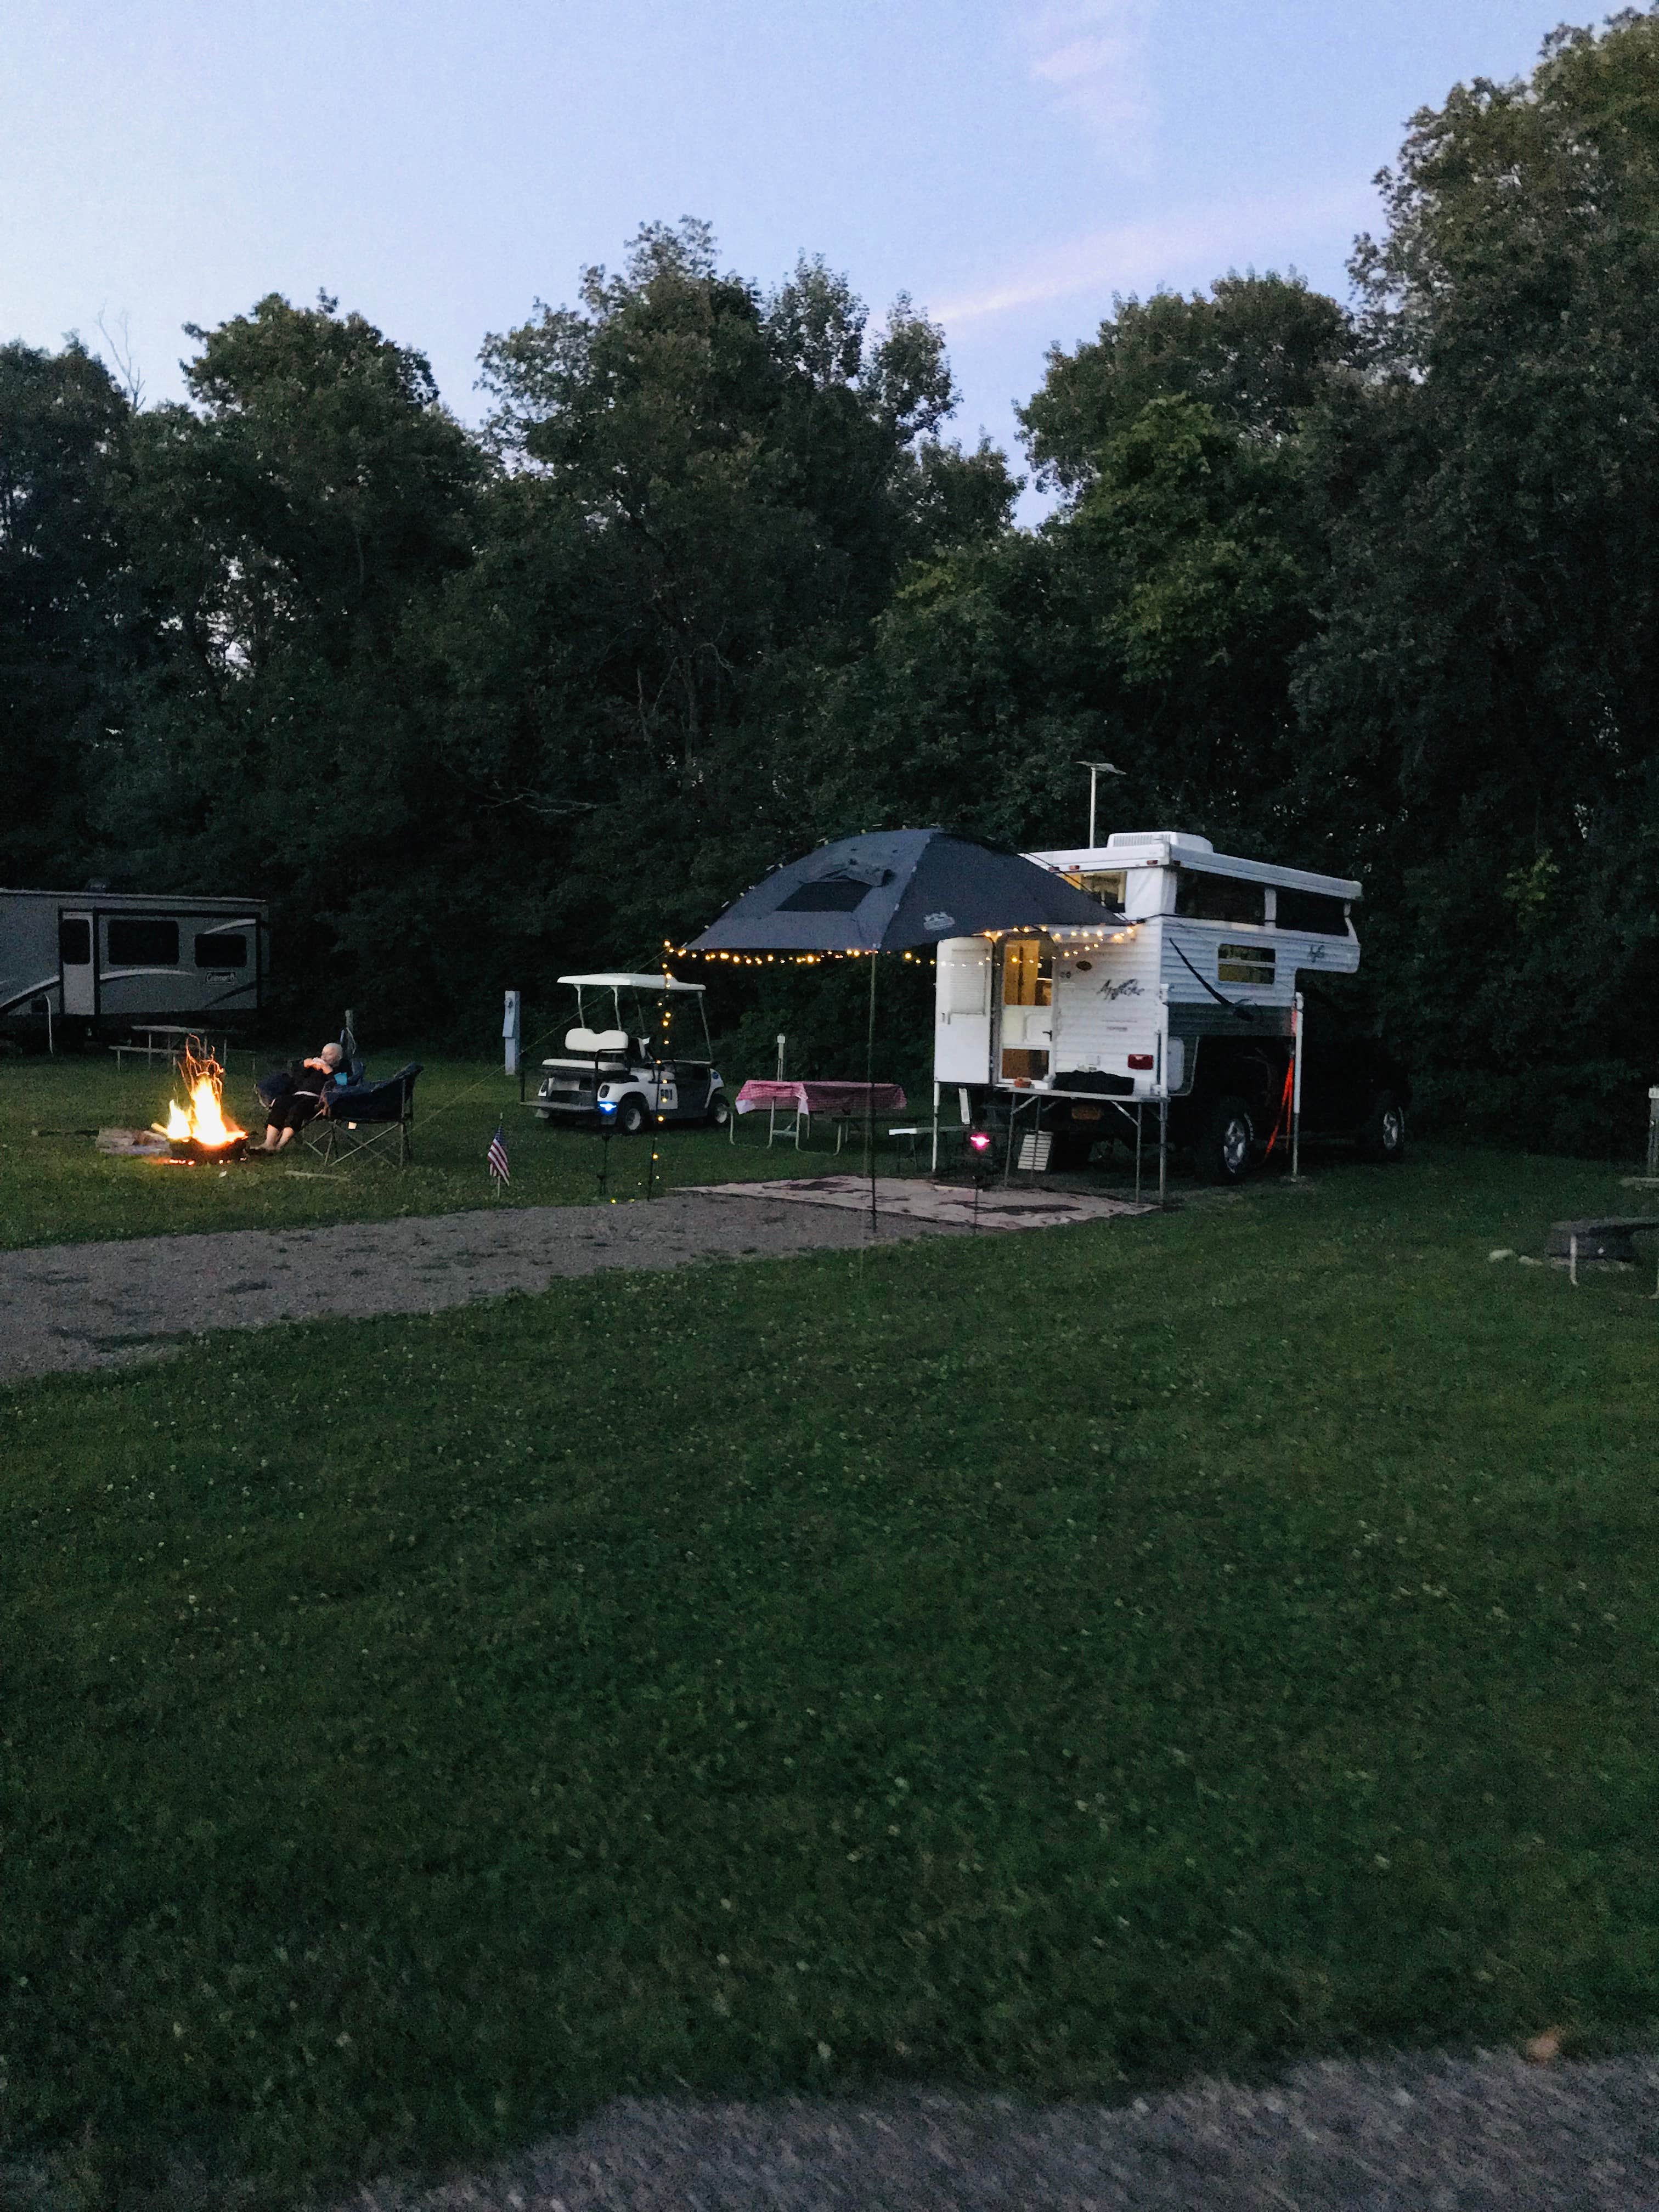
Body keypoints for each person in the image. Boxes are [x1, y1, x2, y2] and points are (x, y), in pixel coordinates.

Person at [254, 1042, 346, 1153]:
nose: (324, 1057)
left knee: (298, 1109)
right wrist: (305, 1065)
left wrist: (328, 1070)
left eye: (329, 1054)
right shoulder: (313, 1069)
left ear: (338, 1058)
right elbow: (295, 1079)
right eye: (323, 1054)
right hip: (298, 1094)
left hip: (318, 1100)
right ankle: (268, 1143)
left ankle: (279, 1146)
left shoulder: (341, 1069)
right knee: (281, 1103)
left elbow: (343, 1086)